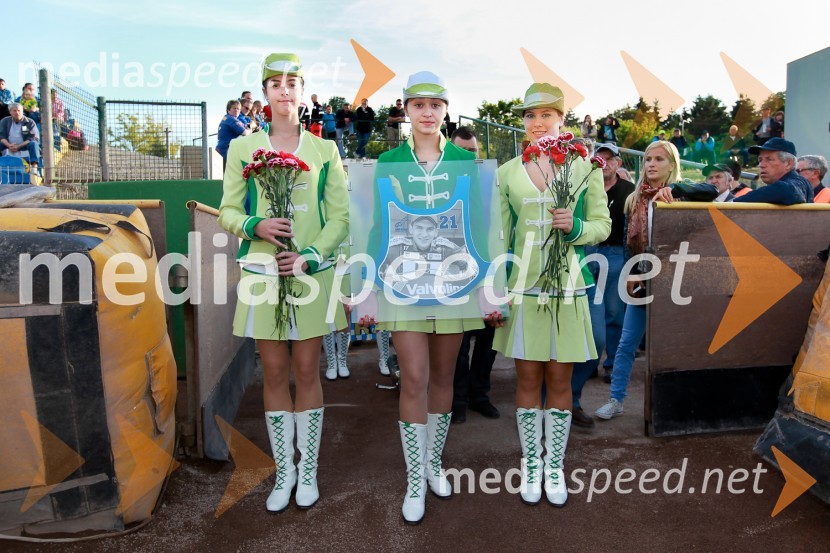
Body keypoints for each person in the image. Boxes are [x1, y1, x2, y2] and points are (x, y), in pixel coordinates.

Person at [358, 71, 494, 524]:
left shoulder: (465, 160)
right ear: (406, 110)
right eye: (418, 105)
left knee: (443, 377)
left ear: (446, 110)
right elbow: (378, 226)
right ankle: (414, 479)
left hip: (455, 283)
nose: (427, 112)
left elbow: (477, 224)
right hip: (402, 283)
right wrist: (369, 287)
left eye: (436, 105)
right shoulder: (388, 160)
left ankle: (433, 463)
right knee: (413, 377)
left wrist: (486, 284)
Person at [218, 53, 349, 513]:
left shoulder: (325, 150)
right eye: (275, 83)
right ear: (265, 93)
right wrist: (254, 225)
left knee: (307, 371)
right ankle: (284, 472)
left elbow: (340, 218)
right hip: (262, 273)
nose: (284, 90)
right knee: (273, 372)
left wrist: (310, 256)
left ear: (302, 90)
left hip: (309, 274)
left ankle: (307, 470)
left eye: (292, 82)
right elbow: (227, 210)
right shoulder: (242, 148)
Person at [493, 82, 611, 507]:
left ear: (562, 119)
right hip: (524, 287)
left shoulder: (585, 167)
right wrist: (498, 287)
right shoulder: (507, 171)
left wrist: (576, 229)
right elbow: (499, 235)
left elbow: (602, 225)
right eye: (530, 115)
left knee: (560, 379)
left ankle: (554, 466)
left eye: (547, 114)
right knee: (527, 378)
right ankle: (531, 463)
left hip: (568, 286)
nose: (538, 123)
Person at [595, 141, 718, 422]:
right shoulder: (635, 198)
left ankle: (680, 404)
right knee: (627, 343)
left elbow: (712, 190)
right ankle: (616, 400)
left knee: (677, 344)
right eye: (648, 159)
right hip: (644, 279)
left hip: (678, 281)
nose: (651, 164)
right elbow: (629, 242)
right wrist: (631, 272)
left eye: (659, 159)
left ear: (672, 164)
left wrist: (677, 190)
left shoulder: (683, 193)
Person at [570, 143, 635, 428]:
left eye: (610, 158)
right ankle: (570, 392)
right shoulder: (582, 181)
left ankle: (608, 365)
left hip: (614, 252)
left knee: (612, 312)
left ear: (618, 162)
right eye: (601, 157)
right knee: (585, 315)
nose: (605, 162)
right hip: (585, 251)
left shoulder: (628, 190)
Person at [450, 126, 498, 423]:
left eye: (473, 151)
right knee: (458, 343)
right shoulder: (441, 181)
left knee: (487, 339)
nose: (468, 156)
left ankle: (480, 395)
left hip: (489, 271)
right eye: (462, 151)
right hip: (455, 274)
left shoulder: (491, 181)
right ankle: (458, 400)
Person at [734, 138, 813, 204]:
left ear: (789, 163)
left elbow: (785, 190)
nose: (761, 165)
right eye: (760, 160)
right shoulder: (799, 183)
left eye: (769, 159)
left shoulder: (795, 184)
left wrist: (732, 203)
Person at [0, 102, 40, 170]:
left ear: (22, 111)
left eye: (19, 110)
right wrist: (9, 145)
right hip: (8, 145)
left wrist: (18, 146)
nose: (17, 113)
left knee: (33, 144)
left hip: (23, 145)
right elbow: (2, 136)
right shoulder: (5, 121)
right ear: (10, 112)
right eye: (14, 111)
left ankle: (34, 167)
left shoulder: (29, 122)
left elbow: (32, 138)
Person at [215, 100, 250, 169]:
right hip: (226, 151)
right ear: (228, 109)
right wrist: (250, 129)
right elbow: (245, 133)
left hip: (221, 150)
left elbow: (243, 126)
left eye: (238, 109)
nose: (236, 110)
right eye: (234, 108)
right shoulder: (231, 119)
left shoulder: (226, 118)